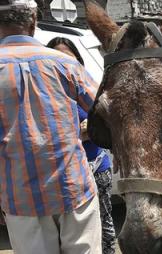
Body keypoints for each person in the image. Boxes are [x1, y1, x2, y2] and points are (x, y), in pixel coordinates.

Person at [0, 1, 102, 253]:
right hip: (74, 189)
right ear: (34, 21)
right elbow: (105, 112)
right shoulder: (65, 64)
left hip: (20, 197)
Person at [47, 37, 116, 254]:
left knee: (106, 230)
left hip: (98, 169)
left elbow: (110, 119)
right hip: (66, 177)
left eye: (70, 57)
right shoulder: (45, 96)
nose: (66, 63)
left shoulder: (87, 86)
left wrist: (92, 129)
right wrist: (78, 132)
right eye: (58, 58)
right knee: (73, 236)